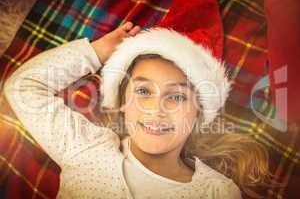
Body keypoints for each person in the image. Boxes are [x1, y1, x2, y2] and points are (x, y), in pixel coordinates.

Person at [4, 18, 272, 198]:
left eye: (177, 97)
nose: (157, 109)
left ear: (198, 113)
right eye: (143, 91)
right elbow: (23, 86)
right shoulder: (86, 148)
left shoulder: (217, 191)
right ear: (122, 103)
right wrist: (96, 52)